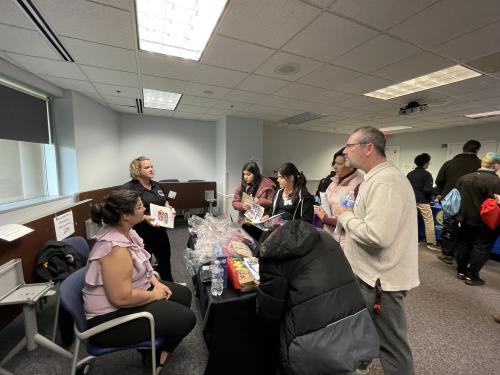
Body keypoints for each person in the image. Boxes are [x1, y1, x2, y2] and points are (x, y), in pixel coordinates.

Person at [83, 190, 196, 374]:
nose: (144, 208)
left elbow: (142, 263)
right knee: (188, 319)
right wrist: (154, 294)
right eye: (139, 206)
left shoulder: (126, 231)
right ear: (126, 215)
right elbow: (121, 298)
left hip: (127, 295)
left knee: (184, 295)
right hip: (109, 320)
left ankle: (154, 347)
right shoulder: (116, 249)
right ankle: (155, 357)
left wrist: (156, 283)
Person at [338, 126, 419, 375]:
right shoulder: (374, 178)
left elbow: (377, 236)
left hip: (381, 282)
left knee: (392, 348)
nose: (345, 151)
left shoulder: (386, 182)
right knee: (363, 333)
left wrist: (346, 217)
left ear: (368, 148)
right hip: (369, 276)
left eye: (350, 146)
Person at [257, 220, 379, 375]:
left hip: (312, 349)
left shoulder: (271, 256)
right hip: (357, 329)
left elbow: (269, 312)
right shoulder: (325, 237)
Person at [122, 156, 174, 281]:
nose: (151, 169)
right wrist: (145, 217)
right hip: (140, 234)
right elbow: (124, 211)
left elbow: (164, 201)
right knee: (144, 263)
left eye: (152, 166)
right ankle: (149, 288)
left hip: (160, 231)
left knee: (165, 259)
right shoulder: (128, 188)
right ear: (137, 170)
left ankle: (169, 284)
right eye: (147, 167)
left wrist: (169, 208)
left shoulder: (156, 185)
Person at [454, 152, 500, 286]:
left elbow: (455, 199)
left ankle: (461, 271)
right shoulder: (496, 182)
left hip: (464, 219)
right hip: (485, 222)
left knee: (463, 244)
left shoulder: (464, 178)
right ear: (495, 165)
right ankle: (472, 276)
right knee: (481, 247)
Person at [435, 140, 481, 264]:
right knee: (468, 228)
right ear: (477, 150)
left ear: (463, 148)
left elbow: (439, 182)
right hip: (472, 203)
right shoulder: (481, 166)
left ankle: (447, 254)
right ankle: (465, 256)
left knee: (450, 226)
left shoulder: (450, 163)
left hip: (451, 201)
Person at [315, 147, 363, 248]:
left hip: (343, 243)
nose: (334, 167)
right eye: (334, 163)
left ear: (351, 166)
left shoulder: (358, 185)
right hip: (327, 236)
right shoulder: (334, 180)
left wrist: (325, 218)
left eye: (339, 164)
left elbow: (350, 221)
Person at [406, 153, 439, 251]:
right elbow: (427, 189)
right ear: (425, 164)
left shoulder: (410, 174)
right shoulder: (427, 174)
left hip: (411, 200)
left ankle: (414, 239)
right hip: (423, 201)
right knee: (428, 221)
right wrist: (436, 192)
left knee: (412, 221)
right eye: (428, 163)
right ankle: (431, 242)